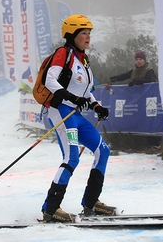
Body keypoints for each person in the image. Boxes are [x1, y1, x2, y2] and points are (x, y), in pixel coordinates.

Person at [41, 14, 116, 223]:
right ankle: (51, 208)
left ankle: (91, 203)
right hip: (62, 112)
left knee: (103, 150)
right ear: (72, 35)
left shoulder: (82, 60)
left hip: (77, 114)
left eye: (89, 33)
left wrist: (96, 105)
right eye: (83, 33)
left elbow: (85, 90)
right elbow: (50, 79)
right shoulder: (63, 54)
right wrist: (69, 96)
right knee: (71, 158)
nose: (88, 37)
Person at [109, 51, 161, 148]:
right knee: (140, 120)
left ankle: (156, 143)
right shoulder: (134, 71)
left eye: (140, 59)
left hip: (149, 100)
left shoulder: (149, 70)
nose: (138, 61)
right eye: (137, 59)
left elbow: (152, 81)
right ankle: (146, 143)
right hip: (138, 100)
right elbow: (125, 75)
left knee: (149, 120)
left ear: (144, 60)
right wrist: (116, 78)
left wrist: (138, 81)